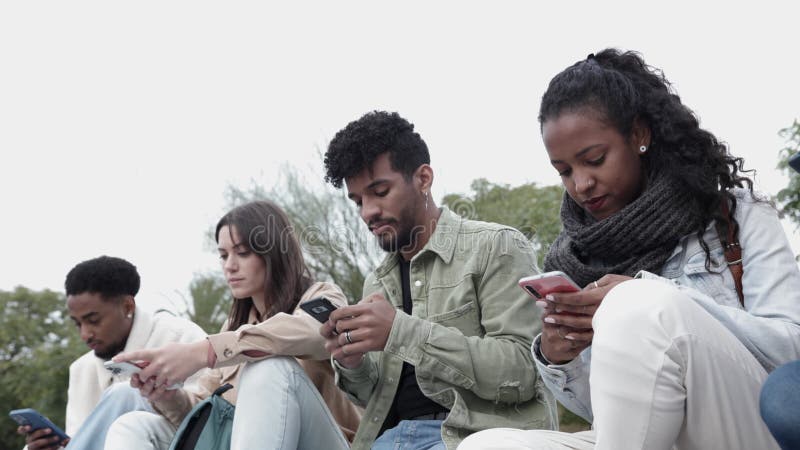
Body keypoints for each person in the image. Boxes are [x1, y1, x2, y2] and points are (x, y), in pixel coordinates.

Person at [459, 49, 800, 450]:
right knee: (488, 446)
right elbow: (616, 414)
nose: (581, 183)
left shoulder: (737, 214)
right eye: (565, 171)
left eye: (594, 160)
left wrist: (651, 296)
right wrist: (560, 358)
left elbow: (790, 351)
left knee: (637, 304)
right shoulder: (575, 257)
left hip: (741, 426)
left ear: (639, 135)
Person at [320, 111, 556, 450]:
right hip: (387, 441)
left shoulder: (496, 246)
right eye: (358, 201)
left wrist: (401, 332)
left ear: (423, 179)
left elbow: (523, 371)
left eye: (380, 191)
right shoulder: (377, 282)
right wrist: (350, 360)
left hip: (473, 439)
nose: (367, 212)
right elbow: (376, 397)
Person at [105, 200, 361, 450]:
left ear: (273, 252)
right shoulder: (233, 327)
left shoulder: (322, 296)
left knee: (269, 365)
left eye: (242, 253)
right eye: (223, 255)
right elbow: (203, 407)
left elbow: (316, 334)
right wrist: (166, 396)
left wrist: (204, 353)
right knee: (132, 425)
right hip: (238, 438)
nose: (229, 266)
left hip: (325, 441)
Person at [16, 255, 207, 450]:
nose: (85, 334)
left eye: (94, 320)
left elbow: (209, 423)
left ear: (127, 307)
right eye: (77, 323)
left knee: (126, 393)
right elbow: (85, 440)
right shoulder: (82, 369)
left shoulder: (181, 338)